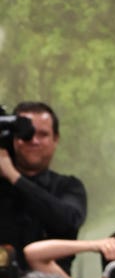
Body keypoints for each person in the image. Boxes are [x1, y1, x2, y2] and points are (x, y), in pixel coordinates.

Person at [0, 102, 86, 266]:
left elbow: (67, 223)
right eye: (26, 135)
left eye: (43, 134)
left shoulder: (68, 187)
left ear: (55, 139)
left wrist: (13, 176)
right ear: (12, 139)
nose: (34, 141)